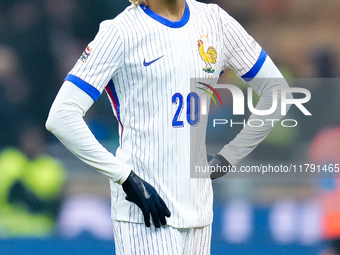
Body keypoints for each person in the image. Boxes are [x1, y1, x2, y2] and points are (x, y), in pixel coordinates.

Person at [46, 0, 291, 253]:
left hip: (199, 212)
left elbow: (277, 92)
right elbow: (61, 116)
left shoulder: (215, 21)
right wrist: (124, 177)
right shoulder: (119, 32)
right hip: (145, 212)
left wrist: (229, 156)